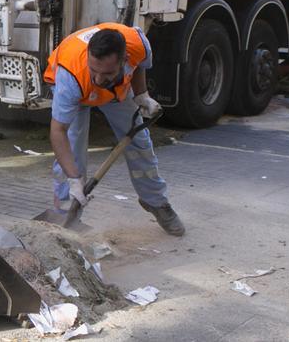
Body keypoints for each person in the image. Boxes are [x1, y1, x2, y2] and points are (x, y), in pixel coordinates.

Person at [42, 22, 185, 236]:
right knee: (73, 151)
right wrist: (74, 179)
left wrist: (141, 95)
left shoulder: (138, 45)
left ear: (124, 60)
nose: (99, 79)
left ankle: (155, 201)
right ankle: (65, 213)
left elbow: (139, 65)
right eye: (94, 70)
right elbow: (58, 131)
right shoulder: (70, 77)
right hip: (79, 90)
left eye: (106, 72)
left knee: (140, 144)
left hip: (116, 91)